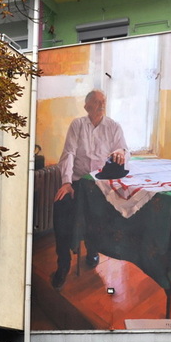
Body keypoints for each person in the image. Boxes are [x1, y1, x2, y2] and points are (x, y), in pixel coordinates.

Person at [50, 89, 129, 290]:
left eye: (103, 101)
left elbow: (124, 151)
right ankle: (63, 264)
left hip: (102, 185)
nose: (101, 104)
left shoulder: (113, 127)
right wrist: (66, 182)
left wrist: (120, 152)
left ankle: (93, 249)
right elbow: (68, 154)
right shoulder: (77, 125)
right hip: (78, 183)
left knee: (102, 212)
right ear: (86, 106)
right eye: (96, 102)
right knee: (60, 205)